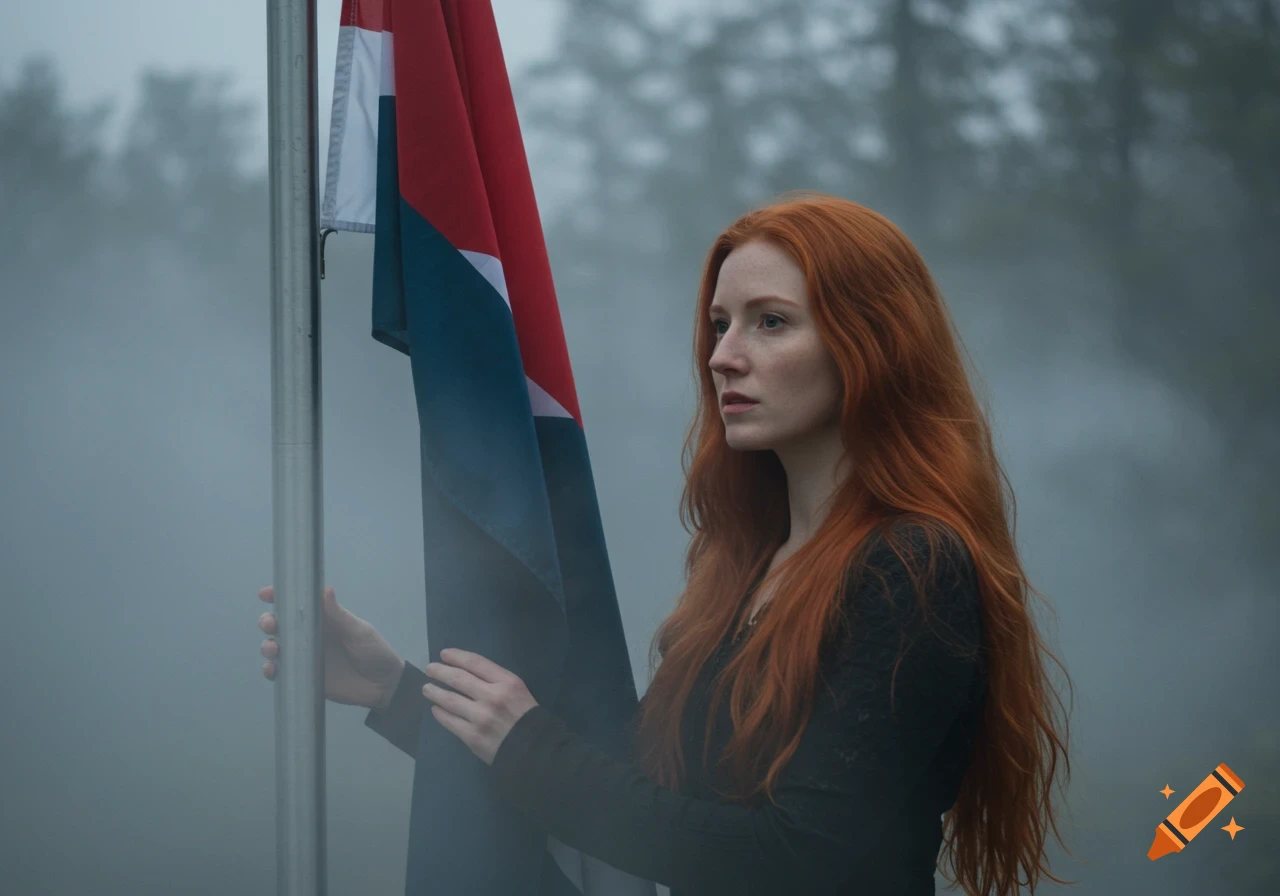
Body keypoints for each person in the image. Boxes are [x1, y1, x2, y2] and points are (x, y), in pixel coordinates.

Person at [256, 191, 1075, 894]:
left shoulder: (912, 566)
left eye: (771, 323)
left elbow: (795, 861)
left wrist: (531, 749)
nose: (723, 357)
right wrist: (396, 691)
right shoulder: (749, 566)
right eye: (720, 325)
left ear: (874, 343)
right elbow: (648, 795)